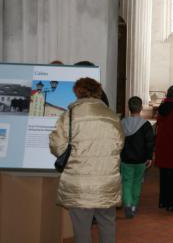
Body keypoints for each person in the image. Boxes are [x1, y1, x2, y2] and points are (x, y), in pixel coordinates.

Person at [49, 77, 124, 243]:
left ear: (78, 92)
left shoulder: (69, 116)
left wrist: (74, 157)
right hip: (106, 182)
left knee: (82, 227)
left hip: (79, 182)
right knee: (107, 224)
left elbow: (56, 145)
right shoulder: (111, 116)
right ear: (98, 92)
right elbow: (119, 144)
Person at [120, 96, 154, 218]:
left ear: (129, 108)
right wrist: (149, 157)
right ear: (141, 108)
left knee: (126, 182)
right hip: (141, 160)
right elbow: (150, 143)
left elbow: (118, 141)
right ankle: (134, 206)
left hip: (125, 159)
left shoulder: (122, 123)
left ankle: (127, 204)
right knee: (137, 183)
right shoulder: (146, 125)